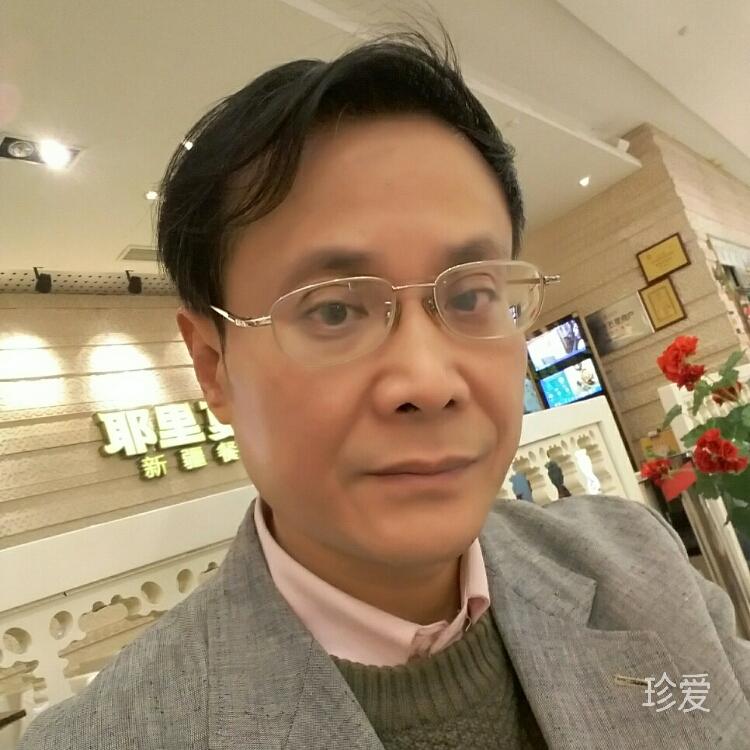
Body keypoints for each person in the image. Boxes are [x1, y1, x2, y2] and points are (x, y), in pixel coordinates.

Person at [19, 29, 750, 750]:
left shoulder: (636, 558)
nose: (428, 382)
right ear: (214, 366)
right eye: (334, 311)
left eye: (471, 296)